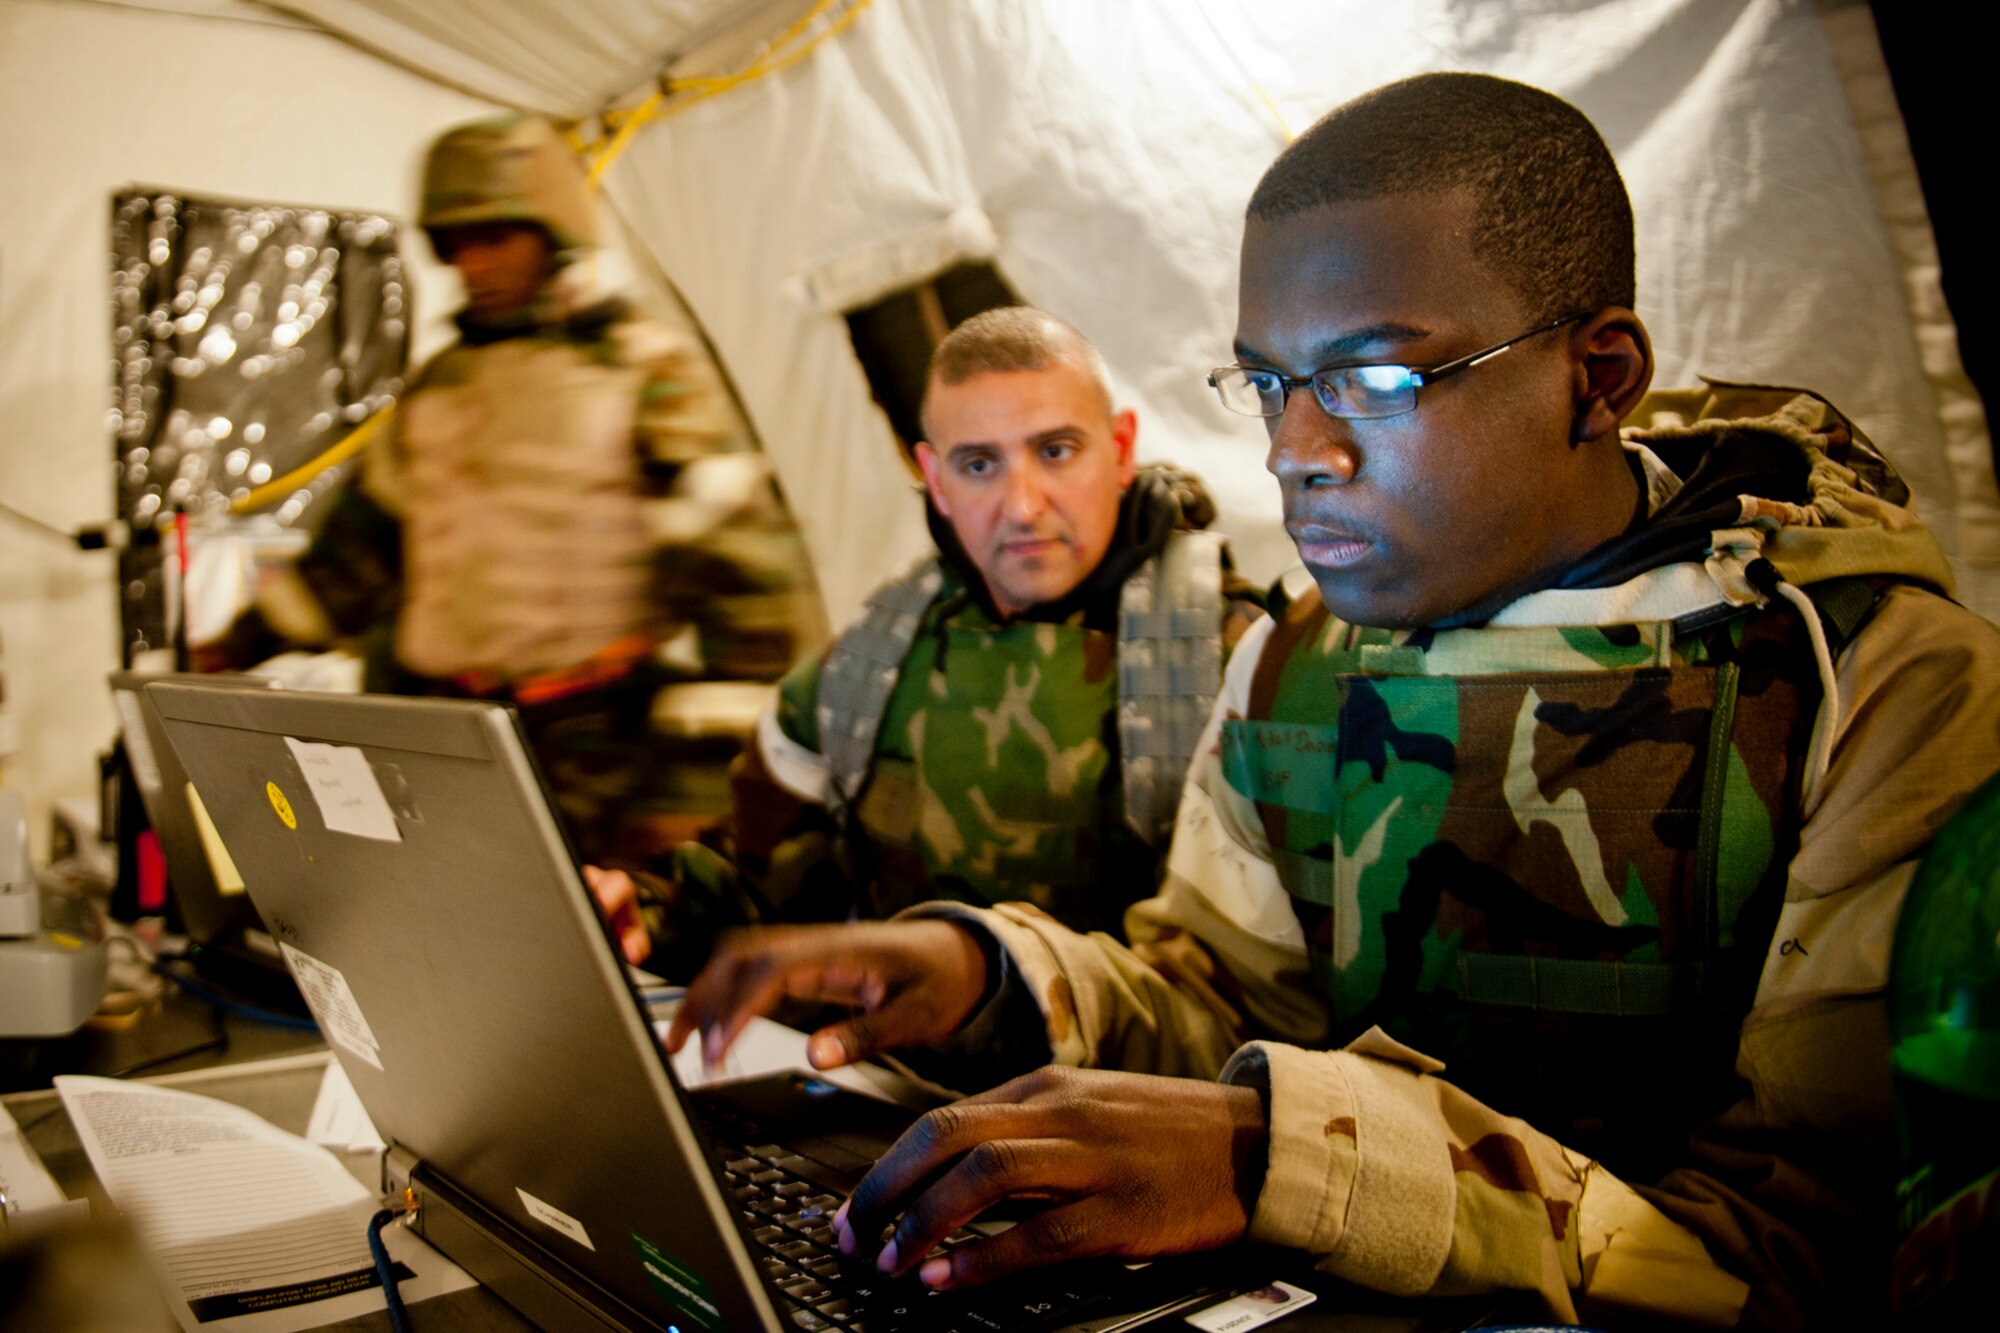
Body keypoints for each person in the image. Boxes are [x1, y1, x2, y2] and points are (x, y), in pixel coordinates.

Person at [664, 74, 2000, 1329]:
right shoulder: (1294, 660)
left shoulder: (1876, 688)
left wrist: (1283, 1156)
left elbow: (1812, 1254)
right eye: (1269, 382)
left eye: (1372, 378)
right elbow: (1220, 995)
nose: (1294, 451)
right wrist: (993, 976)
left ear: (1595, 377)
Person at [209, 115, 820, 864]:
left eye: (496, 237)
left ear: (553, 232)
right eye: (455, 243)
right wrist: (233, 648)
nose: (474, 265)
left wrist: (698, 785)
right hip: (444, 739)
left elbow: (747, 577)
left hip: (599, 749)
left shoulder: (640, 369)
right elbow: (356, 558)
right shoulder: (438, 387)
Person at [595, 307, 1264, 977]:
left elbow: (1271, 987)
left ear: (1120, 449)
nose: (1023, 505)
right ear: (936, 480)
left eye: (1056, 451)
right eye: (979, 465)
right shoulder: (867, 665)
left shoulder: (1238, 664)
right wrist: (647, 912)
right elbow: (750, 887)